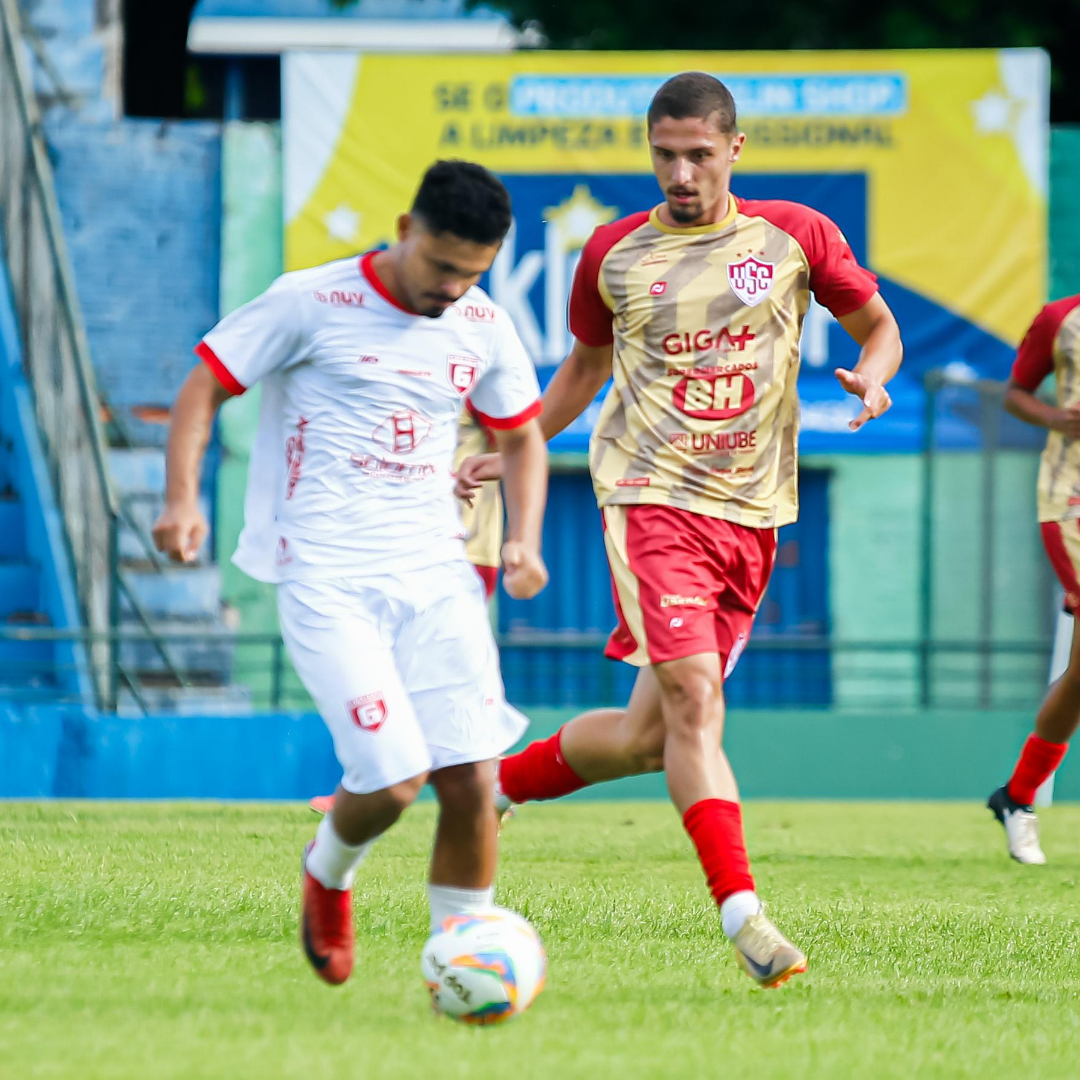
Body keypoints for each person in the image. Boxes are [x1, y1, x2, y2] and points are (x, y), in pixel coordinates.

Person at [458, 72, 903, 988]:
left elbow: (879, 327)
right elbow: (582, 370)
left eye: (700, 154)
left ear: (734, 150)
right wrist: (520, 448)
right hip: (650, 495)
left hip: (752, 514)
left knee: (646, 738)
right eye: (665, 155)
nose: (681, 172)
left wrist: (873, 373)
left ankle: (493, 787)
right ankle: (746, 918)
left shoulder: (794, 236)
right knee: (699, 699)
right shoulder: (613, 253)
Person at [152, 160, 548, 986]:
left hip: (436, 569)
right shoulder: (310, 300)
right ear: (405, 229)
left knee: (474, 776)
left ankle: (462, 959)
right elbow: (202, 390)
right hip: (326, 575)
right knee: (397, 777)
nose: (450, 289)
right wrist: (183, 499)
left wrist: (523, 539)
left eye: (470, 273)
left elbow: (522, 437)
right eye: (441, 266)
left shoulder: (481, 323)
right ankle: (328, 871)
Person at [308, 404, 503, 816]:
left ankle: (484, 784)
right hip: (397, 541)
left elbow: (518, 450)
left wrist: (522, 539)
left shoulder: (475, 368)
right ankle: (486, 786)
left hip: (462, 545)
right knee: (382, 664)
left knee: (442, 668)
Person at [987, 293, 1080, 864]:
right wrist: (1053, 417)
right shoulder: (1061, 318)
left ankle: (1016, 797)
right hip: (1071, 499)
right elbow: (1015, 393)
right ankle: (1019, 799)